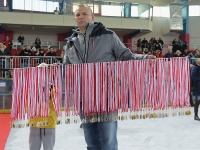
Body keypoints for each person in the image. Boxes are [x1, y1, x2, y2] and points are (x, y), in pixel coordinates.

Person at [63, 4, 156, 150]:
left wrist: (144, 57)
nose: (80, 17)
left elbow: (126, 55)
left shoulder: (108, 35)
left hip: (107, 95)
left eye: (84, 14)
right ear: (75, 19)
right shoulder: (70, 43)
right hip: (85, 98)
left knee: (108, 140)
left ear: (92, 17)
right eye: (78, 14)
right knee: (91, 141)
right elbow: (66, 68)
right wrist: (49, 69)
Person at [29, 63, 57, 150]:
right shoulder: (32, 87)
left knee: (48, 147)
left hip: (48, 122)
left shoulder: (53, 88)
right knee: (34, 147)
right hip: (36, 122)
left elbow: (55, 104)